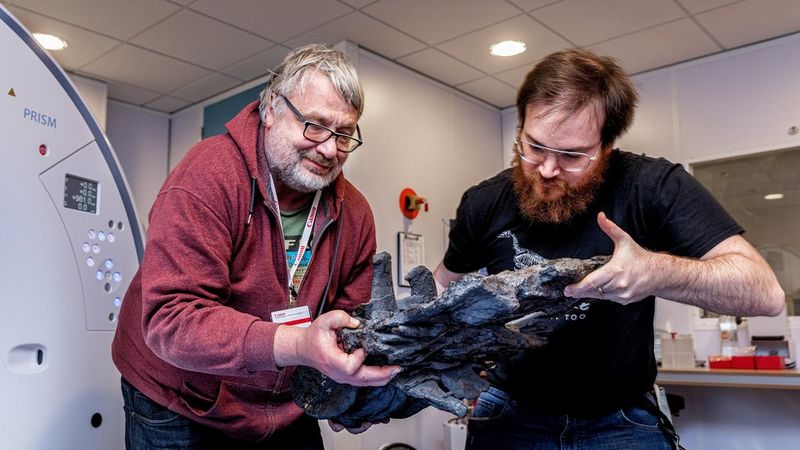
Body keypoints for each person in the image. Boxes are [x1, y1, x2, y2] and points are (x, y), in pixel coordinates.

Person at [433, 48, 784, 450]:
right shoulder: (484, 203)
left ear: (606, 146)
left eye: (571, 155)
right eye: (533, 147)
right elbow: (443, 289)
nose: (547, 169)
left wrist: (658, 273)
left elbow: (765, 292)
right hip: (509, 412)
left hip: (620, 418)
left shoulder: (651, 187)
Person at [112, 44, 399, 449]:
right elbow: (171, 319)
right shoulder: (208, 176)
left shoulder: (355, 213)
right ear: (269, 109)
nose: (331, 149)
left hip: (284, 399)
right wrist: (298, 344)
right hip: (181, 399)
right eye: (314, 126)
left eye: (344, 133)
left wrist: (348, 392)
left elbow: (350, 320)